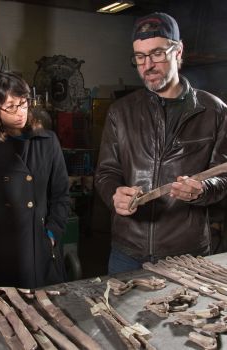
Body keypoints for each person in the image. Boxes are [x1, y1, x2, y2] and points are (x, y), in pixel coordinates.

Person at [94, 12, 227, 275]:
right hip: (127, 250)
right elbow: (106, 172)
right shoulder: (121, 112)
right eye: (140, 57)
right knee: (118, 316)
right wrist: (114, 195)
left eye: (156, 54)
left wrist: (202, 190)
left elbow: (224, 176)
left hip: (187, 252)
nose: (148, 65)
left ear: (178, 51)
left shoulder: (215, 111)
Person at [0, 72, 69, 289]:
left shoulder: (47, 141)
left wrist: (51, 233)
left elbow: (61, 194)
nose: (20, 112)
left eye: (23, 103)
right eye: (11, 106)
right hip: (2, 248)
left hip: (40, 245)